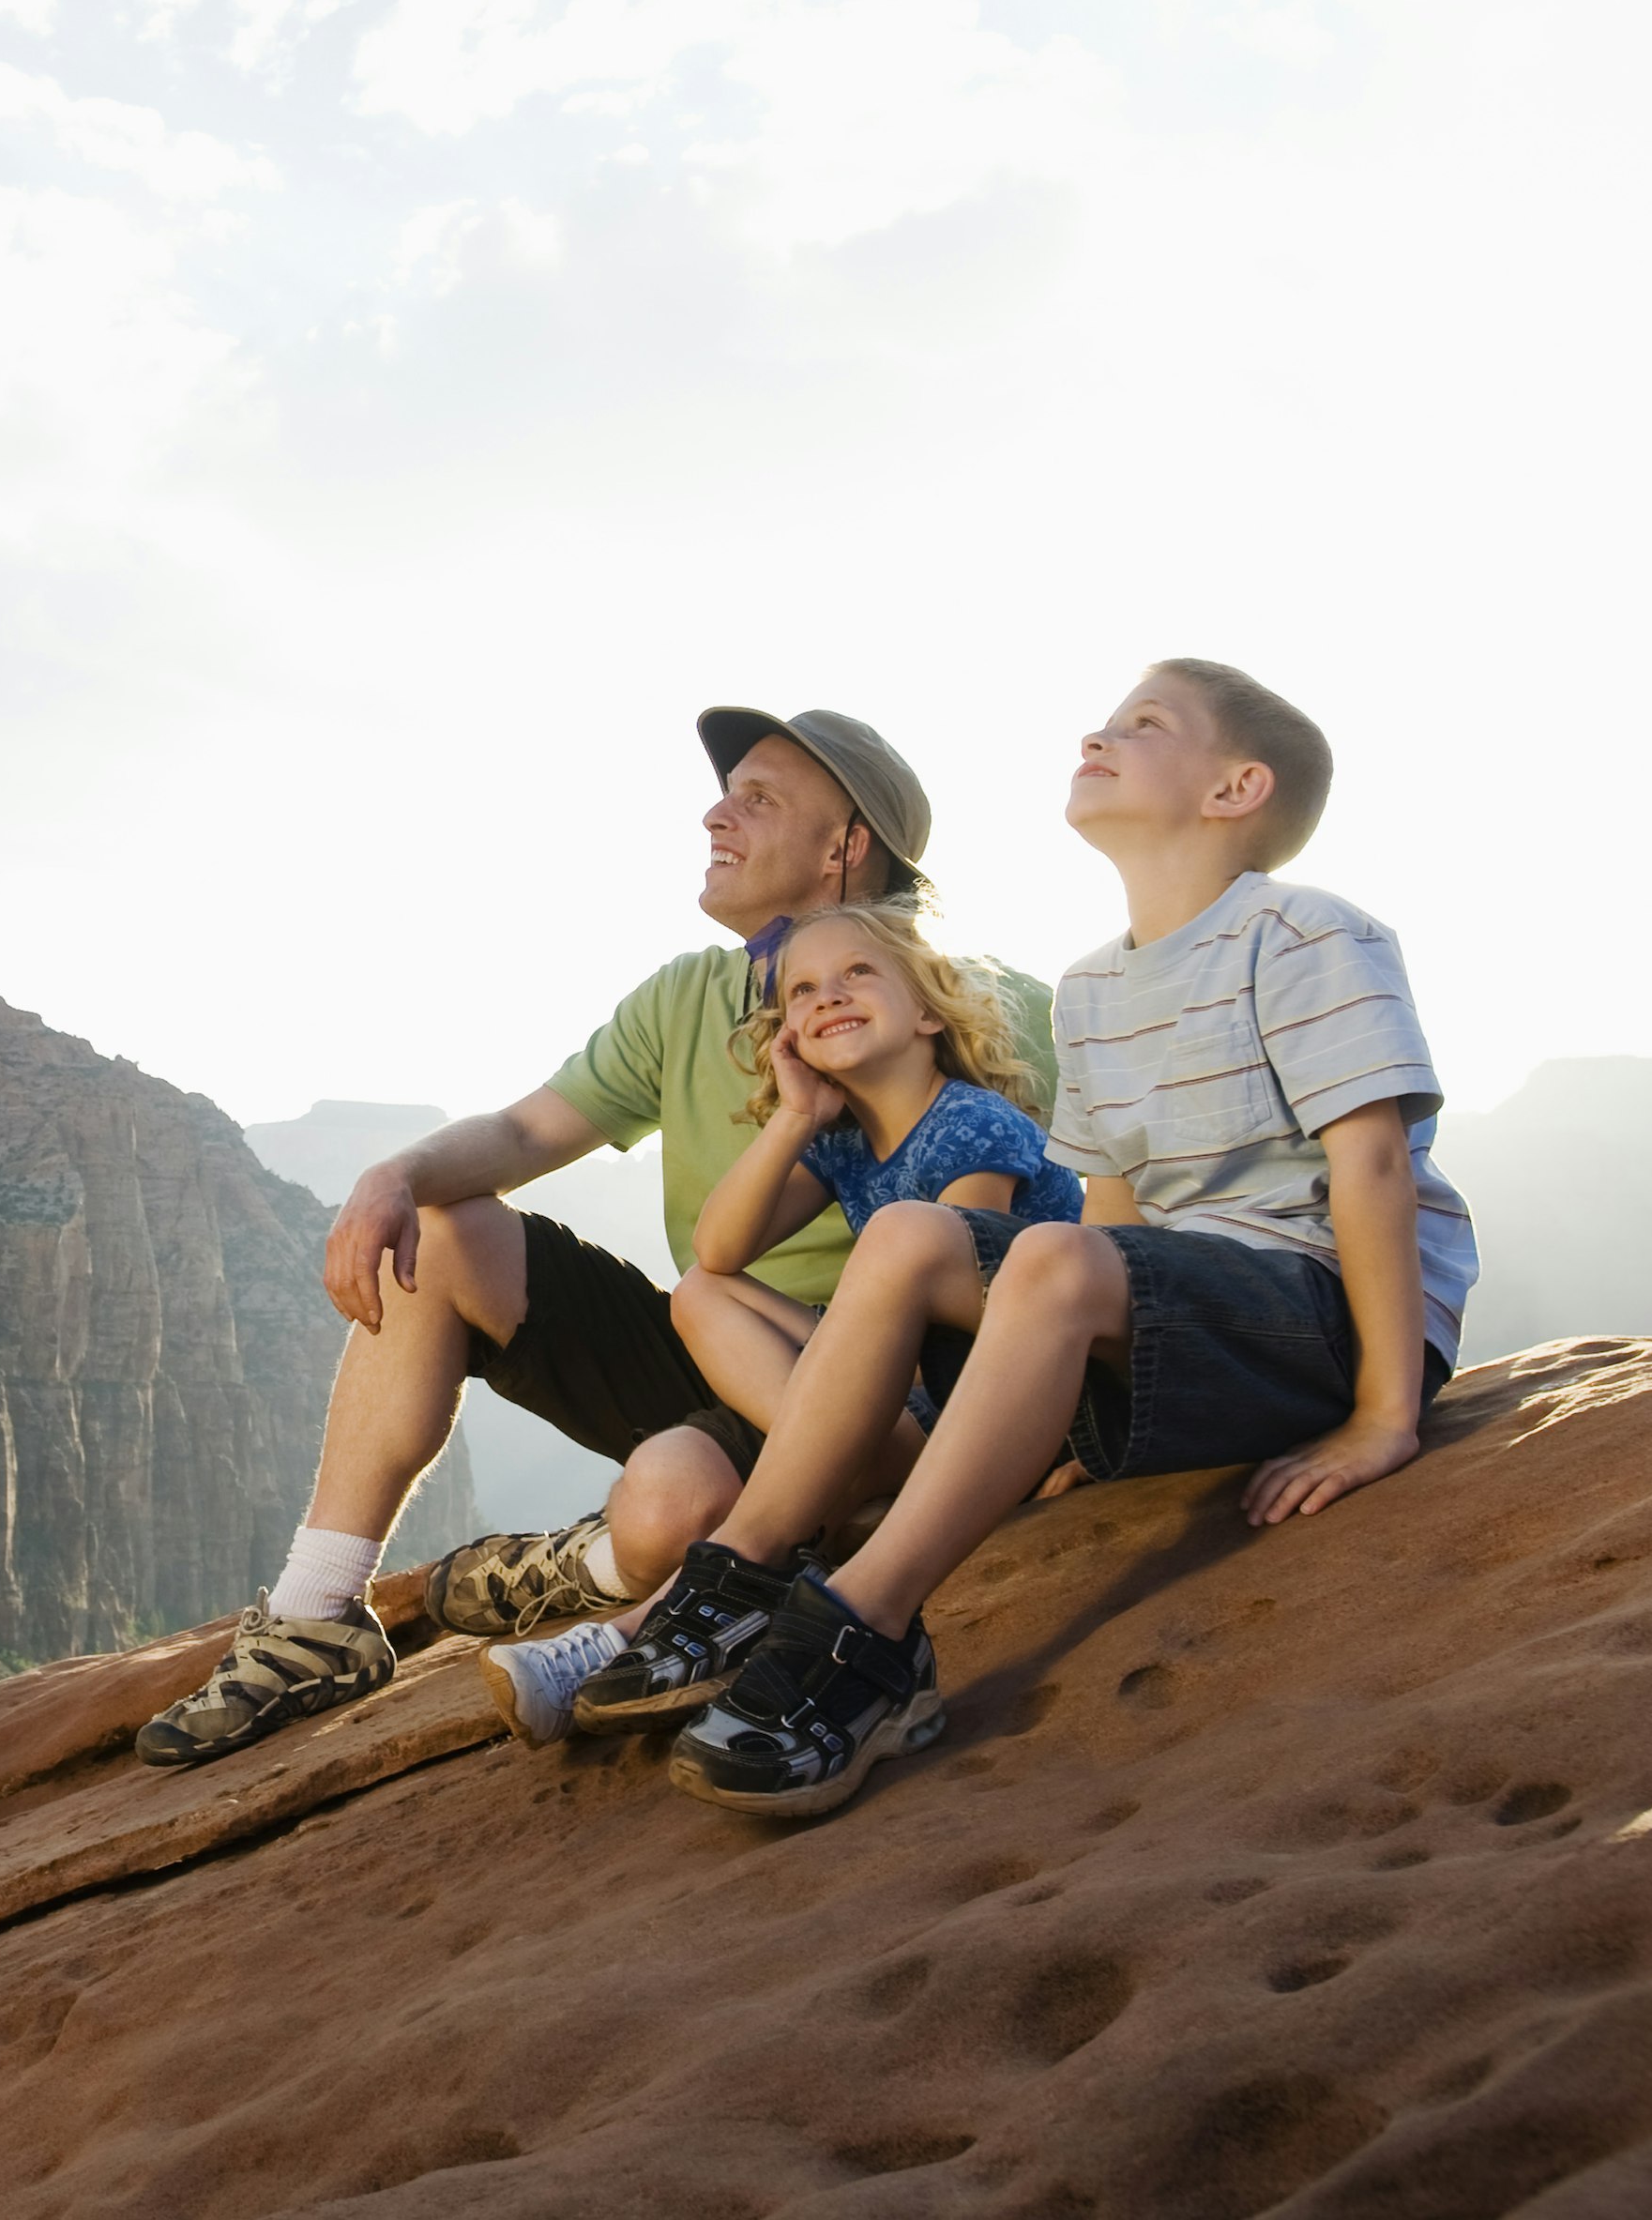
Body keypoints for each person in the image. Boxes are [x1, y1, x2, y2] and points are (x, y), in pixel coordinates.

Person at [614, 661, 1475, 1818]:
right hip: (1191, 1329)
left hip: (1320, 1310)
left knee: (1043, 1255)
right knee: (918, 1235)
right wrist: (1066, 1389)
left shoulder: (1306, 933)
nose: (1100, 732)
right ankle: (745, 1565)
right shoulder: (1091, 990)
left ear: (1235, 788)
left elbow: (1370, 1168)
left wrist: (1386, 1412)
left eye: (1145, 723)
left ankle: (866, 1634)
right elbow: (1114, 1219)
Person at [137, 706, 1057, 1770]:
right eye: (728, 792)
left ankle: (609, 1562)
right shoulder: (686, 997)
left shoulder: (983, 1005)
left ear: (845, 845)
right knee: (441, 1232)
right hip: (721, 1346)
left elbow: (1096, 1204)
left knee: (673, 1500)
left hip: (883, 1377)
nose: (717, 813)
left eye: (760, 799)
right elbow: (530, 1132)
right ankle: (316, 1615)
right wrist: (394, 1174)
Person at [478, 899, 1085, 1743]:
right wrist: (797, 1116)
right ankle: (809, 1504)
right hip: (898, 1400)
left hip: (985, 1399)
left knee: (805, 1439)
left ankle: (630, 1632)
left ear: (926, 1011)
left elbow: (978, 1317)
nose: (827, 996)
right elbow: (718, 1250)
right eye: (802, 990)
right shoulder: (843, 1144)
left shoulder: (972, 1125)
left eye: (859, 973)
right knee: (700, 1293)